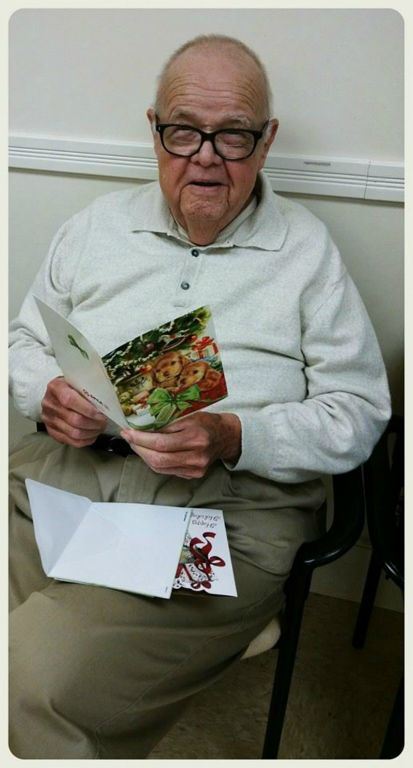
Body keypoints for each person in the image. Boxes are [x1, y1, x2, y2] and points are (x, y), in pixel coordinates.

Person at [9, 34, 391, 759]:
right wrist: (45, 392)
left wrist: (237, 436)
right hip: (61, 475)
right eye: (183, 131)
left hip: (223, 507)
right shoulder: (94, 227)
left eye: (233, 135)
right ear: (153, 129)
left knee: (35, 671)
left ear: (266, 140)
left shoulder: (306, 252)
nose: (206, 156)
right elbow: (21, 343)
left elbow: (359, 412)